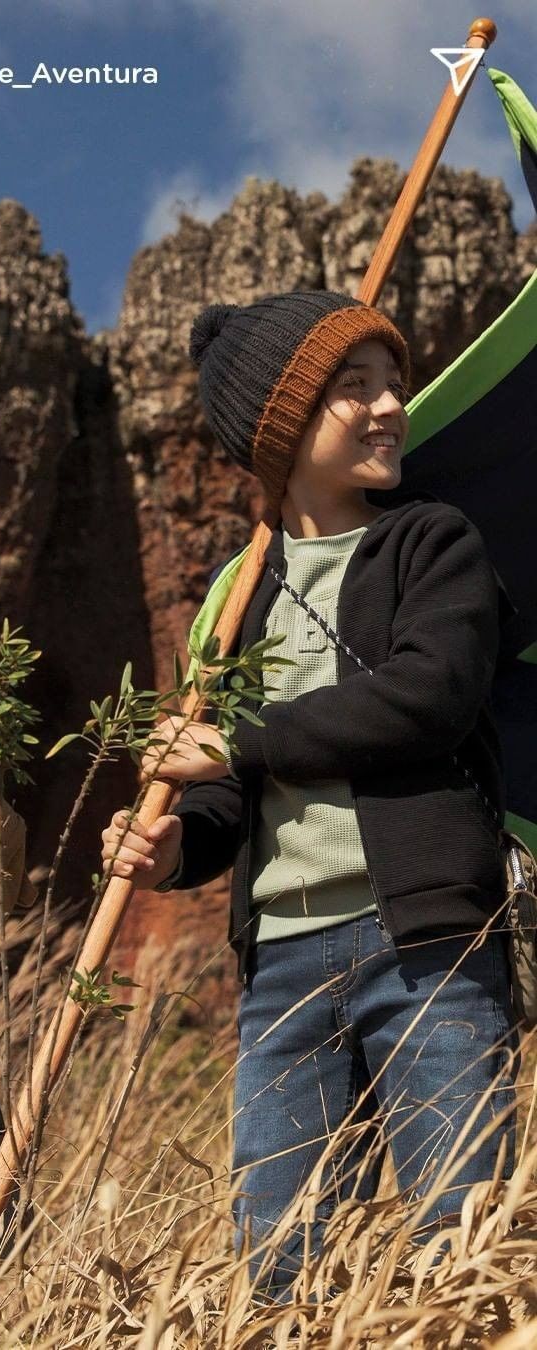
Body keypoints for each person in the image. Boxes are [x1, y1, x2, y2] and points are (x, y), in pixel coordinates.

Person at [99, 291, 518, 1303]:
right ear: (279, 428)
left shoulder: (432, 545)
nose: (388, 409)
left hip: (424, 947)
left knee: (462, 1243)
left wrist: (234, 740)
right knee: (278, 1268)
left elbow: (429, 700)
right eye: (353, 388)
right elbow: (228, 799)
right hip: (280, 968)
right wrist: (173, 853)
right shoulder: (234, 597)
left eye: (393, 386)